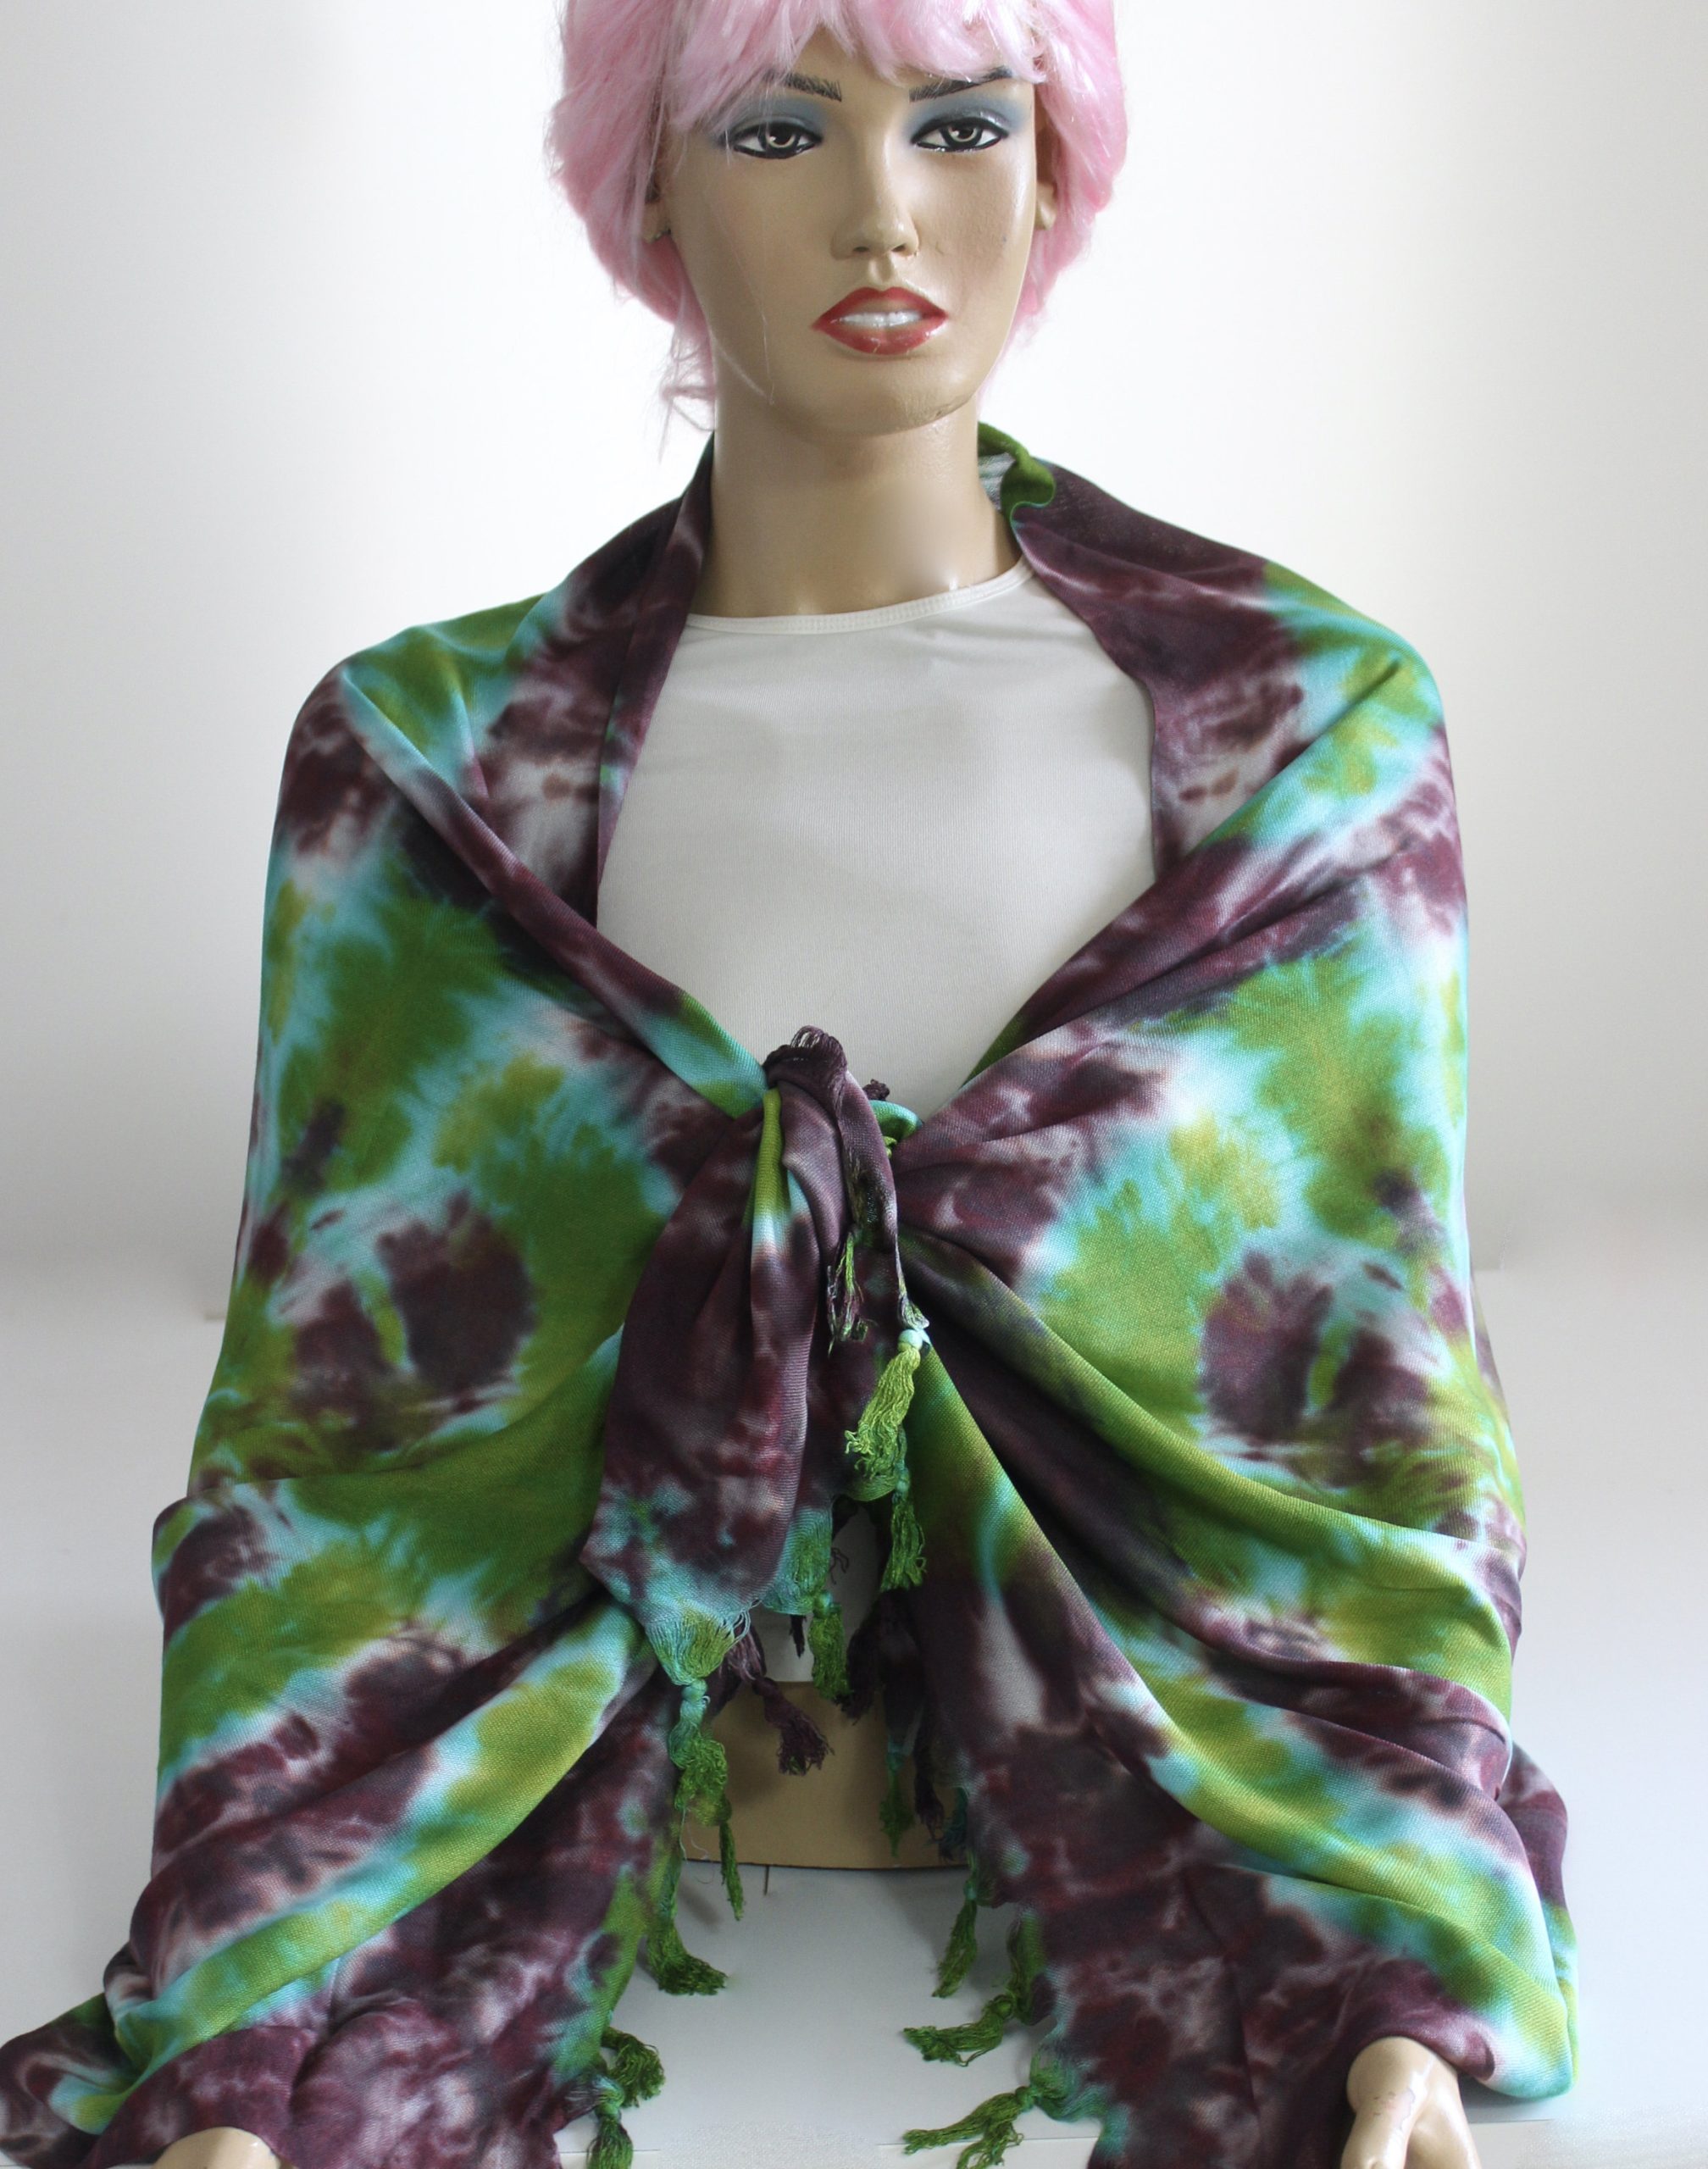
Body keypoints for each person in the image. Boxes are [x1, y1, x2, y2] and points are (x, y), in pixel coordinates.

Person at [0, 7, 1576, 2169]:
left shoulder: (1312, 744)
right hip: (580, 1809)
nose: (881, 212)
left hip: (1168, 1815)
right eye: (776, 131)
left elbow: (1373, 1428)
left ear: (1052, 173)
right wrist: (250, 2058)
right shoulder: (426, 773)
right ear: (649, 184)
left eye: (961, 125)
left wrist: (1405, 1985)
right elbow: (327, 1464)